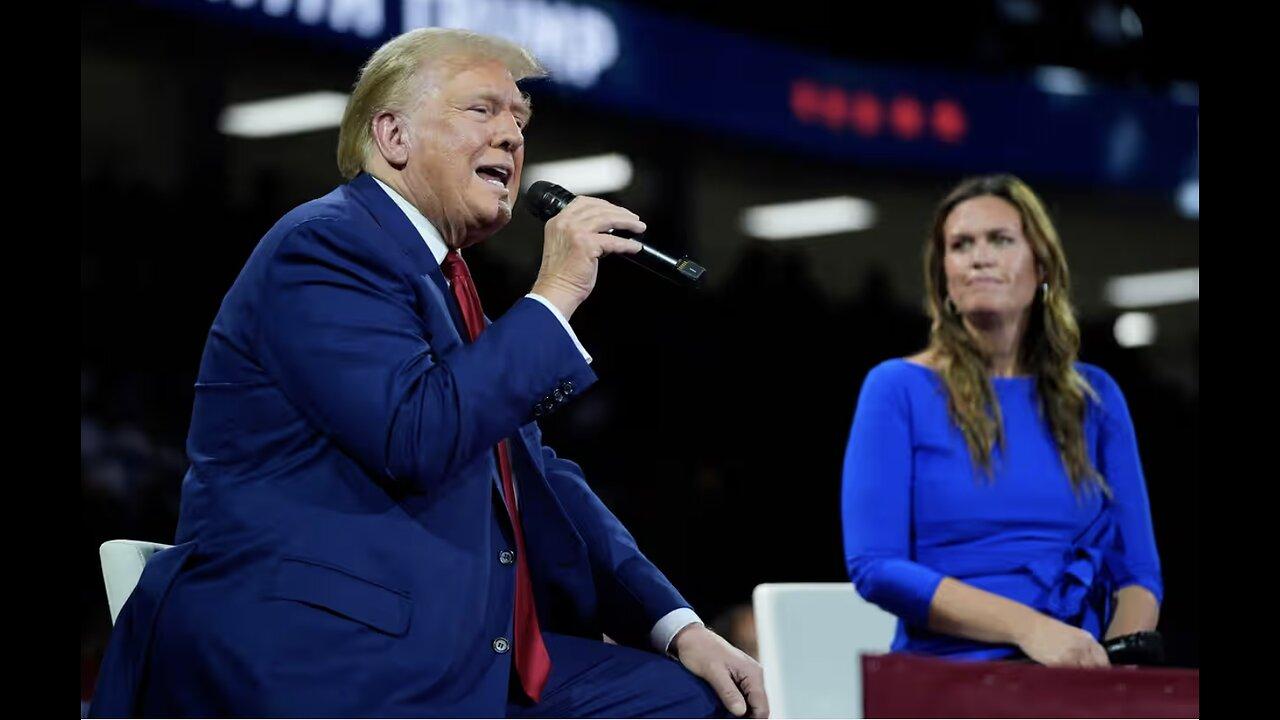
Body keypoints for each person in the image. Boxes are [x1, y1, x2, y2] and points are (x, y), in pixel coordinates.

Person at [89, 28, 766, 718]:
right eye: (482, 111)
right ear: (393, 136)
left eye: (519, 120)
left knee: (690, 698)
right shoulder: (325, 246)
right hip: (322, 656)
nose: (511, 135)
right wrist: (556, 291)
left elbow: (536, 475)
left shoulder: (445, 283)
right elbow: (416, 433)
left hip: (449, 655)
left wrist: (678, 627)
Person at [840, 174, 1162, 667]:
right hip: (947, 672)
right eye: (960, 245)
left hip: (1076, 672)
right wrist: (1031, 630)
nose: (979, 256)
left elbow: (1138, 575)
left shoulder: (1095, 398)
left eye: (1000, 240)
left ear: (1041, 265)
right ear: (943, 274)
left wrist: (1106, 671)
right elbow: (876, 567)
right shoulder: (895, 388)